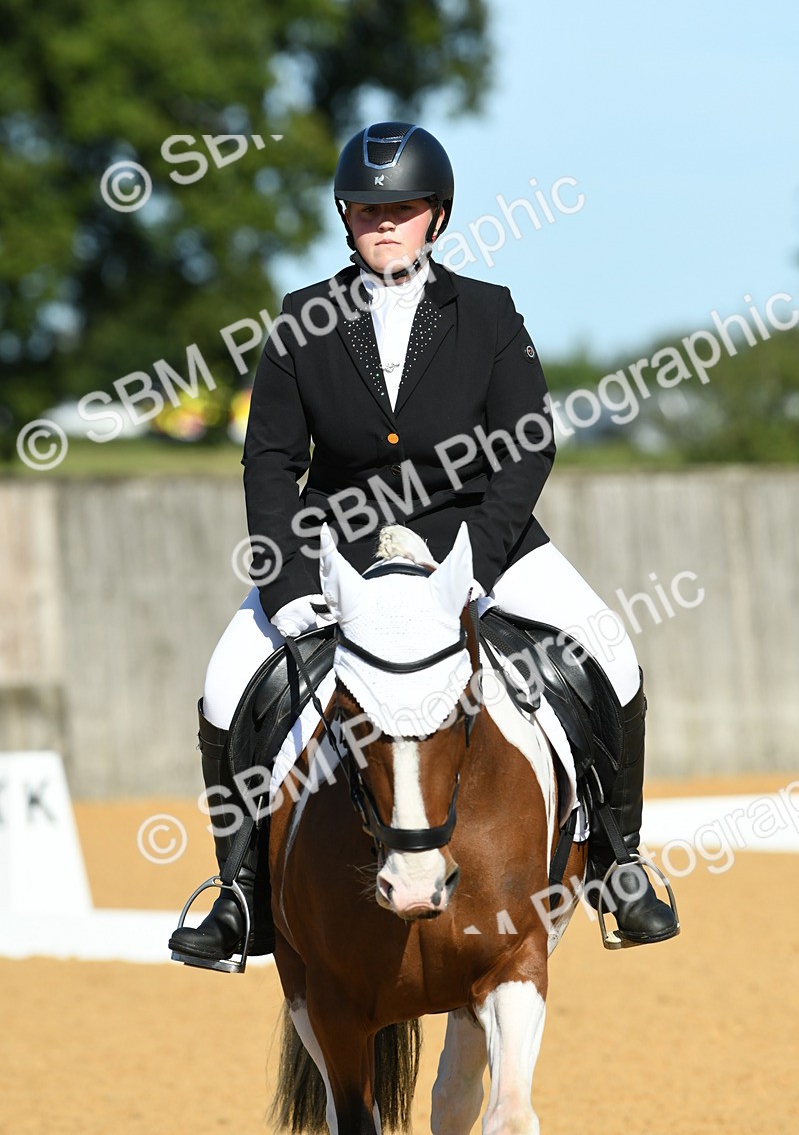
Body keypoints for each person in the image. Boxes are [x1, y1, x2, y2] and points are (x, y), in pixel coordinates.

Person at [169, 122, 679, 970]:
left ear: (436, 216)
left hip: (481, 537)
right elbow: (270, 462)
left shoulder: (485, 310)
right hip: (343, 545)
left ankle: (620, 866)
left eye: (402, 208)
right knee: (226, 685)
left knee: (612, 653)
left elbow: (527, 443)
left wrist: (475, 557)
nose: (384, 222)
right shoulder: (302, 319)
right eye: (368, 209)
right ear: (345, 216)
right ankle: (239, 895)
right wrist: (293, 578)